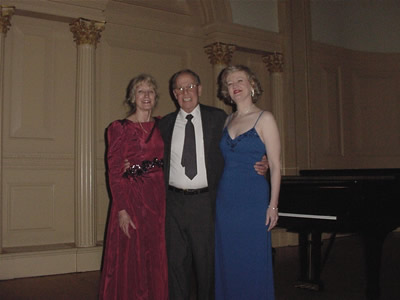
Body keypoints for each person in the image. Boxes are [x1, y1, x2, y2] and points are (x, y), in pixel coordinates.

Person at [158, 69, 268, 300]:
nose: (185, 92)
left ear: (199, 89)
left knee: (207, 267)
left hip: (205, 203)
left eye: (190, 86)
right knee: (176, 266)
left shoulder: (219, 118)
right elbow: (149, 155)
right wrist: (130, 163)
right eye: (179, 88)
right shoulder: (164, 125)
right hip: (174, 204)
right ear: (173, 94)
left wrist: (261, 160)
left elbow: (239, 147)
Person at [99, 74, 168, 300]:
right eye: (141, 91)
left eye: (150, 91)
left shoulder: (163, 125)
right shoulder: (119, 128)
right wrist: (121, 209)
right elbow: (114, 171)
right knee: (133, 257)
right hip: (133, 198)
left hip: (159, 200)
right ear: (132, 97)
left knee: (155, 257)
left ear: (156, 96)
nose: (146, 95)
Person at [215, 65, 281, 299]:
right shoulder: (227, 121)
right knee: (228, 256)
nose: (235, 86)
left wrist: (273, 205)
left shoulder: (266, 118)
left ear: (252, 84)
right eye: (230, 83)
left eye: (240, 81)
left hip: (253, 198)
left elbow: (275, 165)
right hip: (226, 199)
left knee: (251, 257)